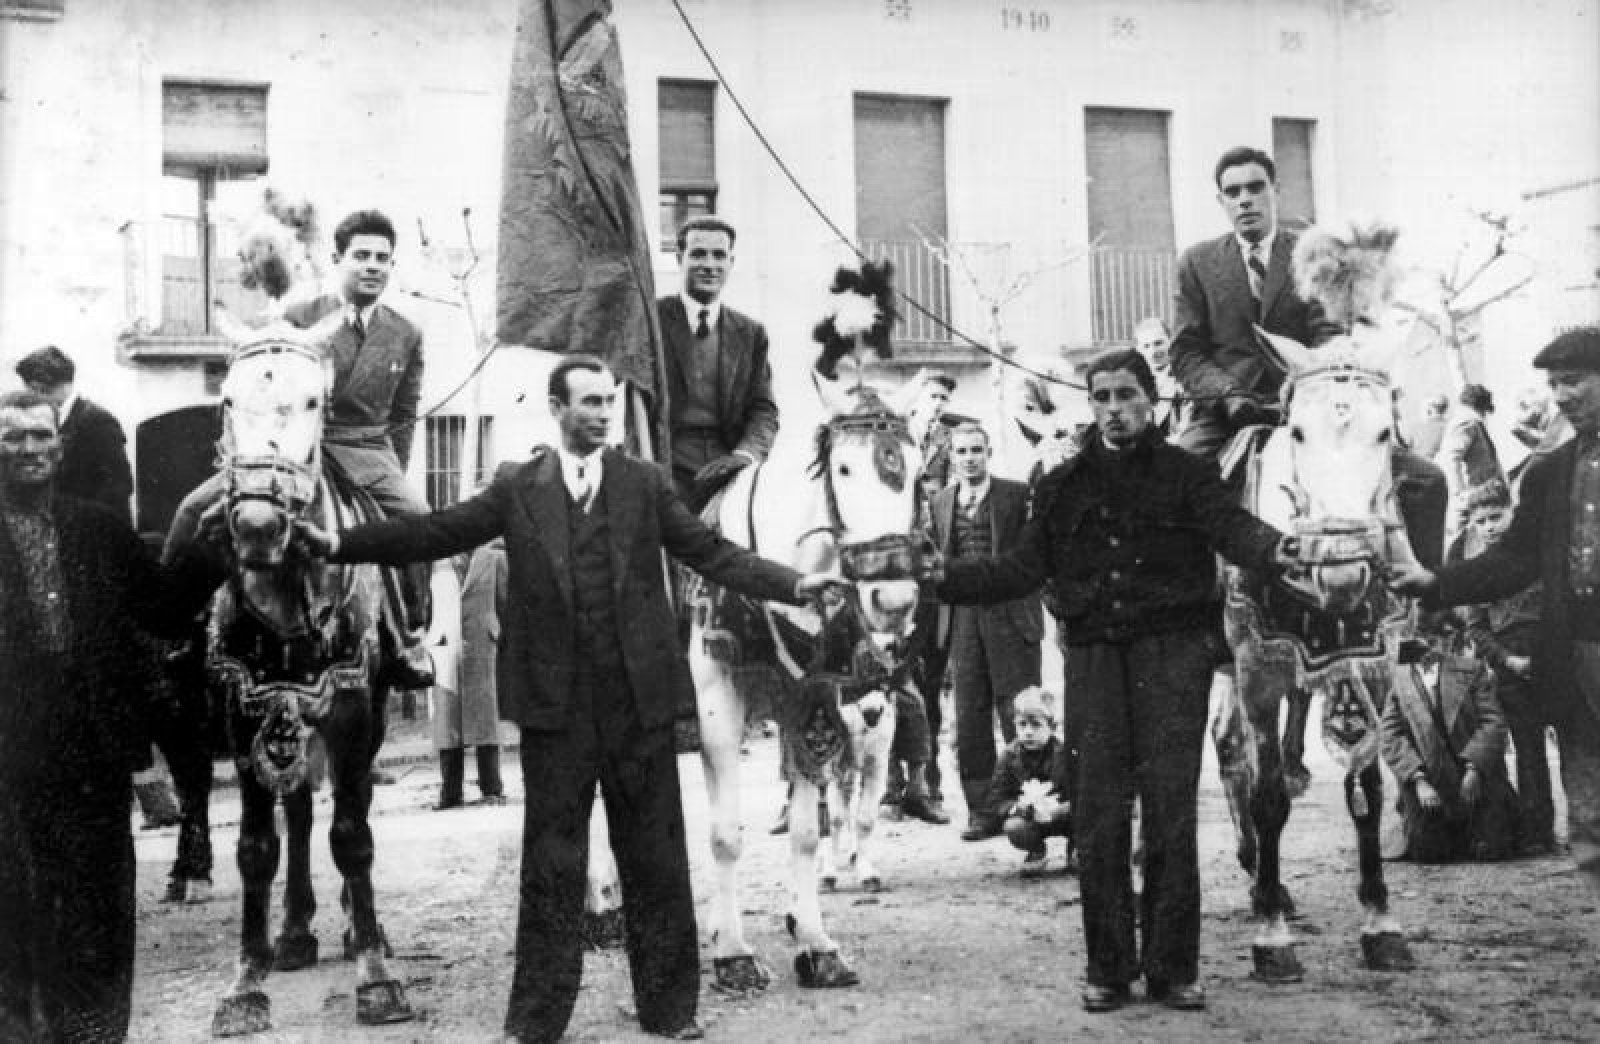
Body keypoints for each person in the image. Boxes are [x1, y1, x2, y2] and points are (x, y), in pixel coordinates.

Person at [296, 355, 841, 1042]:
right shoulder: (517, 485)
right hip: (556, 710)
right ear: (556, 409)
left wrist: (794, 584)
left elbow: (712, 552)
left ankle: (671, 1011)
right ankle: (536, 1021)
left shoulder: (644, 484)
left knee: (655, 861)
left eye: (608, 401)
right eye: (588, 402)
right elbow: (434, 532)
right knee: (552, 867)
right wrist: (339, 542)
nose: (603, 413)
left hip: (638, 705)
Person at [931, 349, 1300, 1013]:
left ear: (1151, 400)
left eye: (1126, 394)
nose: (1113, 409)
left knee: (1169, 814)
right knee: (1099, 817)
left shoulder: (1189, 474)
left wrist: (1286, 550)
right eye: (1101, 397)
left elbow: (1235, 532)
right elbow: (1018, 569)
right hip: (1095, 663)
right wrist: (939, 575)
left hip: (1172, 661)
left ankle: (1173, 969)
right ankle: (1108, 970)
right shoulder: (1062, 485)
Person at [0, 390, 220, 1042]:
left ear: (60, 445)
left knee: (98, 902)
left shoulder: (98, 530)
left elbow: (161, 608)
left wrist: (214, 547)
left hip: (92, 751)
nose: (30, 449)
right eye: (13, 438)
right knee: (18, 905)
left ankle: (95, 1031)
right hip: (10, 756)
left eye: (41, 436)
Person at [164, 208, 433, 691]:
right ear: (338, 259)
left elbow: (404, 414)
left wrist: (392, 472)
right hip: (290, 448)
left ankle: (409, 636)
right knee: (190, 510)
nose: (372, 266)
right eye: (361, 256)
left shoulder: (406, 333)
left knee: (418, 517)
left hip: (367, 450)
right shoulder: (298, 316)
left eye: (382, 258)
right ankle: (177, 627)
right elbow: (259, 388)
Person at [1392, 325, 1600, 892]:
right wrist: (1435, 582)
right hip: (1576, 660)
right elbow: (1513, 559)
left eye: (1574, 380)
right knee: (1590, 816)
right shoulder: (1549, 471)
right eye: (1554, 384)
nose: (1560, 396)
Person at [1169, 145, 1334, 459]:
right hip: (1223, 415)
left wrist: (1300, 384)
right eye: (1232, 192)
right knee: (1179, 475)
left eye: (1256, 188)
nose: (1244, 200)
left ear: (1276, 190)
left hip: (1306, 404)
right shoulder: (1197, 262)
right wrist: (1227, 394)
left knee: (1407, 474)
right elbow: (1185, 351)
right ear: (1222, 201)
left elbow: (1329, 335)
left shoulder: (1313, 255)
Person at [930, 422, 1043, 841]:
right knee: (970, 714)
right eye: (961, 451)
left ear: (988, 453)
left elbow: (1030, 558)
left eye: (976, 450)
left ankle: (1032, 805)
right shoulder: (940, 502)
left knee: (1020, 713)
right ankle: (982, 810)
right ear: (951, 456)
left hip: (1010, 615)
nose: (969, 458)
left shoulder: (1016, 494)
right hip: (964, 618)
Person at [1456, 480, 1557, 856]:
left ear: (1513, 514)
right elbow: (1476, 628)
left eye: (1496, 517)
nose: (1489, 527)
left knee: (1578, 745)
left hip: (1553, 658)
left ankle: (1589, 824)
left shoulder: (1541, 555)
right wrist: (1507, 660)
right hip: (1510, 667)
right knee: (1529, 751)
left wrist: (1548, 655)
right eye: (1480, 521)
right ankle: (1537, 831)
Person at [659, 216, 778, 513]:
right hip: (663, 463)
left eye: (719, 255)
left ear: (731, 262)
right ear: (679, 258)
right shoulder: (652, 320)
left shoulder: (750, 333)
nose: (709, 265)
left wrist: (744, 456)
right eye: (698, 254)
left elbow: (764, 409)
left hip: (728, 468)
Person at [1380, 643, 1519, 862]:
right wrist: (1418, 780)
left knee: (1492, 848)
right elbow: (1390, 736)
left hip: (1476, 780)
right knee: (1429, 852)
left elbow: (1493, 723)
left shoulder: (1472, 670)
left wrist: (1474, 769)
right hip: (1430, 783)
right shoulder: (1400, 679)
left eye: (1431, 637)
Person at [14, 344, 134, 522]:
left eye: (29, 390)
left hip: (94, 530)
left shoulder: (99, 421)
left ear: (38, 387)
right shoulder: (54, 419)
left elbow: (119, 488)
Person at [435, 539, 508, 810]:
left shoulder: (494, 558)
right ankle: (450, 793)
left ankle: (492, 788)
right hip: (446, 644)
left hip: (482, 642)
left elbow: (505, 602)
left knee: (485, 719)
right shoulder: (440, 561)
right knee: (447, 720)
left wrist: (502, 634)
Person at [982, 685, 1074, 877]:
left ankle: (1075, 847)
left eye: (1036, 725)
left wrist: (1061, 808)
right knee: (1013, 827)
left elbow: (1080, 794)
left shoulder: (1065, 754)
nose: (1028, 732)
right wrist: (1018, 808)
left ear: (1052, 727)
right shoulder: (1009, 756)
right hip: (1030, 817)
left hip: (1063, 815)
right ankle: (1036, 849)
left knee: (1081, 813)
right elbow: (996, 799)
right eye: (1022, 725)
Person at [1437, 383, 1506, 540]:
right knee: (1462, 540)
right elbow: (1451, 458)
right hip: (1471, 495)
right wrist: (1460, 493)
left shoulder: (1469, 421)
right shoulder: (1467, 422)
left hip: (1476, 494)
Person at [1132, 317, 1183, 436]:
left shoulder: (1184, 377)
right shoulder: (1134, 381)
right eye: (1146, 346)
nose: (1153, 352)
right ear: (1138, 350)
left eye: (1158, 343)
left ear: (1171, 342)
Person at [1412, 392, 1452, 461]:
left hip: (1418, 464)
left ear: (1429, 409)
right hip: (1439, 465)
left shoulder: (1418, 428)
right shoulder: (1451, 427)